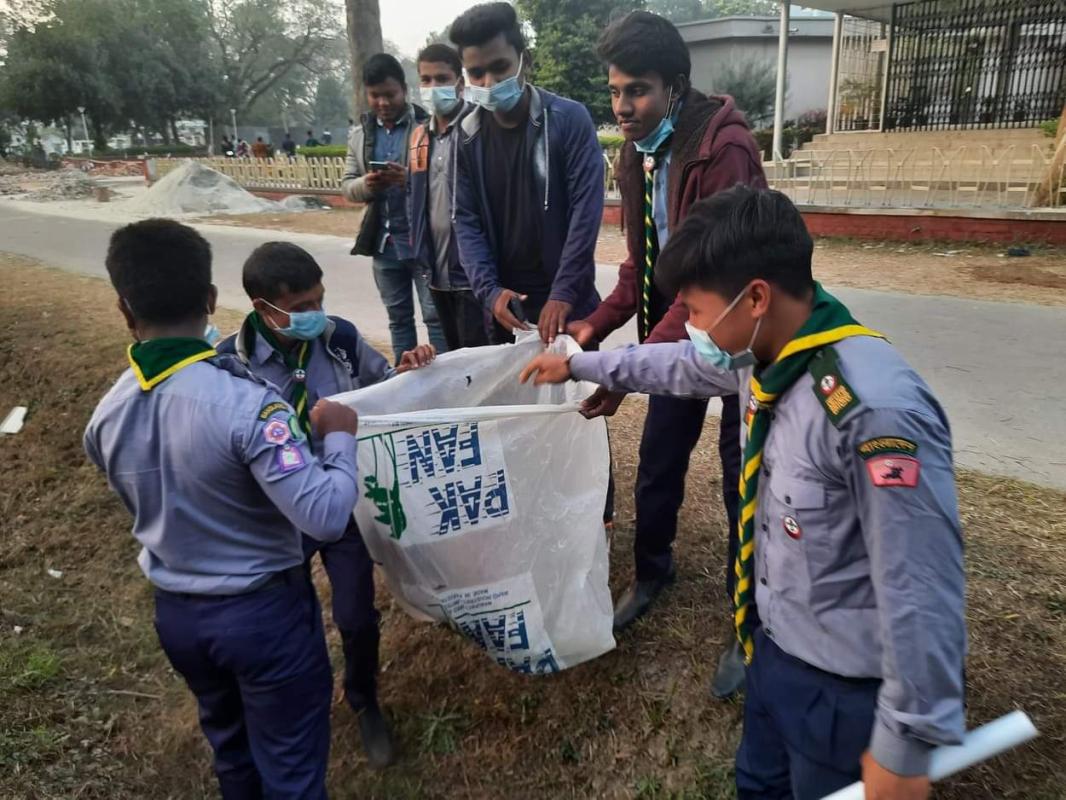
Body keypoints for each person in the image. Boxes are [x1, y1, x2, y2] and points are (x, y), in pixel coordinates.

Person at [520, 186, 966, 800]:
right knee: (758, 784)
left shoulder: (874, 412)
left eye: (697, 310)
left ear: (756, 297)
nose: (693, 327)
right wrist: (581, 365)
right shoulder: (763, 350)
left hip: (842, 693)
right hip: (771, 647)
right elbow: (680, 364)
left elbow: (922, 586)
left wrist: (905, 746)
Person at [84, 219, 362, 798]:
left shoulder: (107, 414)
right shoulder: (250, 408)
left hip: (179, 617)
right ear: (211, 298)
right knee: (290, 768)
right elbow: (325, 516)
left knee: (232, 753)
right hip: (261, 616)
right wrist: (338, 438)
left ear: (123, 307)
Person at [567, 11, 767, 698]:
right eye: (615, 92)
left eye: (638, 91)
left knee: (745, 480)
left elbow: (708, 277)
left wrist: (629, 370)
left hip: (737, 336)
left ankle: (750, 620)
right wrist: (593, 328)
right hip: (678, 337)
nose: (622, 107)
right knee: (657, 462)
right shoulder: (637, 154)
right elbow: (641, 267)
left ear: (675, 86)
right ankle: (652, 571)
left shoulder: (722, 149)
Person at [218, 241, 435, 769]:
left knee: (357, 616)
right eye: (301, 307)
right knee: (291, 624)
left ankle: (364, 699)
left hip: (339, 502)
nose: (316, 314)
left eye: (319, 299)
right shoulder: (230, 366)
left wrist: (409, 369)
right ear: (263, 308)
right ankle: (302, 705)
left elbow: (382, 389)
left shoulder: (338, 339)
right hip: (276, 515)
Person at [449, 2, 604, 346]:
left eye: (500, 67)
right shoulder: (466, 136)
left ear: (525, 60)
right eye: (476, 73)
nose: (489, 82)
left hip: (569, 308)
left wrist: (564, 293)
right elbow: (466, 222)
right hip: (506, 312)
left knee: (577, 383)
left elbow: (585, 214)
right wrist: (490, 292)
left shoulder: (568, 121)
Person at [342, 52, 447, 362]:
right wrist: (367, 184)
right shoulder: (360, 136)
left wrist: (410, 180)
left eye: (390, 94)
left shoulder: (427, 128)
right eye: (375, 96)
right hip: (383, 245)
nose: (383, 102)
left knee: (435, 317)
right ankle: (406, 378)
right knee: (399, 320)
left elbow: (445, 181)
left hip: (423, 242)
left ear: (404, 89)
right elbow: (347, 187)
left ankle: (445, 376)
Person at [408, 43, 488, 350]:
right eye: (426, 80)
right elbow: (415, 199)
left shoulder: (478, 128)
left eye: (442, 79)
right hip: (436, 270)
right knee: (451, 354)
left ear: (459, 82)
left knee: (478, 356)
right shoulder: (419, 137)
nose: (433, 87)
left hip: (473, 273)